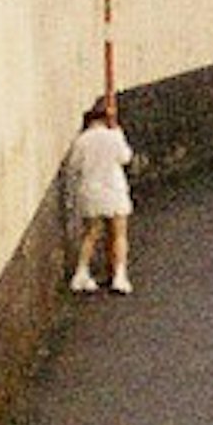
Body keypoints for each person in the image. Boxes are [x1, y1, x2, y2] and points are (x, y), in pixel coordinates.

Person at [68, 90, 138, 296]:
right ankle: (120, 276)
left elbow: (74, 167)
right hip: (113, 189)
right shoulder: (113, 136)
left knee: (91, 233)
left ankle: (81, 273)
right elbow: (125, 157)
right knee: (119, 233)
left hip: (90, 190)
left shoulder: (82, 141)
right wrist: (119, 133)